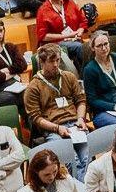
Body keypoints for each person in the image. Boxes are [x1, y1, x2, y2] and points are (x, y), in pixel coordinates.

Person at [23, 43, 91, 175]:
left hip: (75, 125)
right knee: (73, 161)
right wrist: (57, 128)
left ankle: (84, 190)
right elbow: (36, 118)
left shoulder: (68, 77)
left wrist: (81, 119)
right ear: (42, 62)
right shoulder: (33, 87)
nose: (56, 64)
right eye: (51, 61)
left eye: (58, 60)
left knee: (87, 157)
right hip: (53, 130)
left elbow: (81, 101)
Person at [34, 0, 89, 67]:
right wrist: (67, 35)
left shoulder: (71, 3)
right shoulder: (43, 10)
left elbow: (83, 22)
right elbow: (43, 36)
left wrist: (79, 32)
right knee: (79, 47)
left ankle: (84, 75)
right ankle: (89, 73)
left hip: (73, 39)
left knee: (92, 46)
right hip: (53, 45)